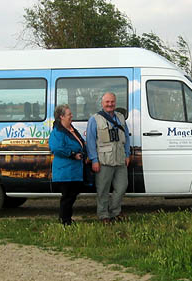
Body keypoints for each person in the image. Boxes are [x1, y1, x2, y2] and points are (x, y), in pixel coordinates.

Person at [86, 92, 131, 224]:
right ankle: (103, 215)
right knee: (103, 190)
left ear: (115, 102)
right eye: (107, 102)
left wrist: (127, 154)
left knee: (122, 187)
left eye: (112, 102)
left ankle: (115, 211)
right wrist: (94, 160)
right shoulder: (94, 119)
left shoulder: (121, 117)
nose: (110, 104)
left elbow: (127, 137)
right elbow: (90, 141)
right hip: (103, 160)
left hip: (120, 159)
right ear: (102, 103)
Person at [49, 104, 86, 225]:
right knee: (67, 197)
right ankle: (65, 220)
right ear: (61, 117)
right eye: (69, 114)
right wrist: (72, 154)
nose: (72, 116)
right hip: (65, 171)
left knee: (72, 196)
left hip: (74, 170)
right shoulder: (57, 132)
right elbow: (56, 148)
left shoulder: (71, 129)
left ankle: (66, 218)